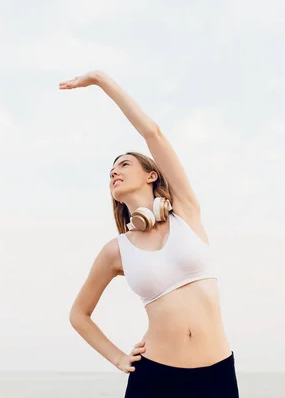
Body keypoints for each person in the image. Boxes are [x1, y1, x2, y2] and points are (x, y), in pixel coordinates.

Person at [62, 70, 239, 397]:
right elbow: (79, 315)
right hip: (155, 378)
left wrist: (101, 80)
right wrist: (117, 358)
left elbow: (152, 132)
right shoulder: (116, 251)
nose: (115, 171)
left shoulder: (185, 210)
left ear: (151, 175)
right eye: (111, 170)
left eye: (125, 164)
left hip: (217, 375)